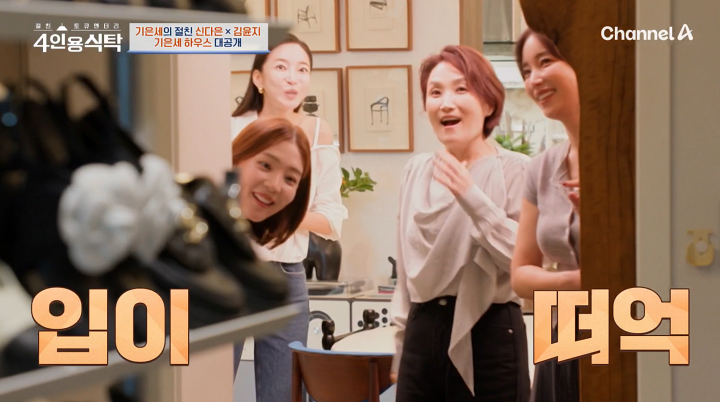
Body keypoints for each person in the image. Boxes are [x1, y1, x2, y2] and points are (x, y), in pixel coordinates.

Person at [390, 44, 531, 402]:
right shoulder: (415, 171)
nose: (446, 103)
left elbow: (523, 262)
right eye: (435, 93)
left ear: (488, 103)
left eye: (461, 89)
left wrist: (471, 197)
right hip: (421, 338)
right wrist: (401, 347)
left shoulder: (516, 170)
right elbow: (405, 274)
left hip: (491, 337)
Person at [230, 34, 348, 402]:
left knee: (282, 394)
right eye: (281, 67)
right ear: (258, 78)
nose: (293, 78)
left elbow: (331, 219)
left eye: (302, 69)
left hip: (286, 276)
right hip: (229, 271)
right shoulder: (230, 129)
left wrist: (283, 213)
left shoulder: (317, 132)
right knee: (204, 387)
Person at [510, 28, 581, 402]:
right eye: (526, 70)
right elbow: (521, 276)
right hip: (562, 331)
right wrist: (575, 282)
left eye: (546, 61)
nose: (534, 79)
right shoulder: (541, 168)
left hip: (634, 327)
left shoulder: (637, 154)